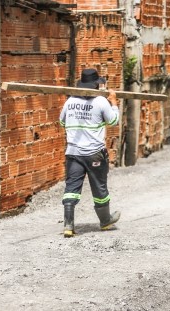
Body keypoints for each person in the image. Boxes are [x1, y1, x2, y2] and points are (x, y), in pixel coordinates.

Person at [59, 68, 121, 238]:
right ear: (96, 85)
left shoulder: (70, 101)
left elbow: (61, 121)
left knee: (71, 188)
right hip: (94, 153)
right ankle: (105, 220)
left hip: (73, 153)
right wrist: (114, 102)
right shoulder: (101, 102)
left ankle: (68, 225)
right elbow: (114, 121)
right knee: (99, 187)